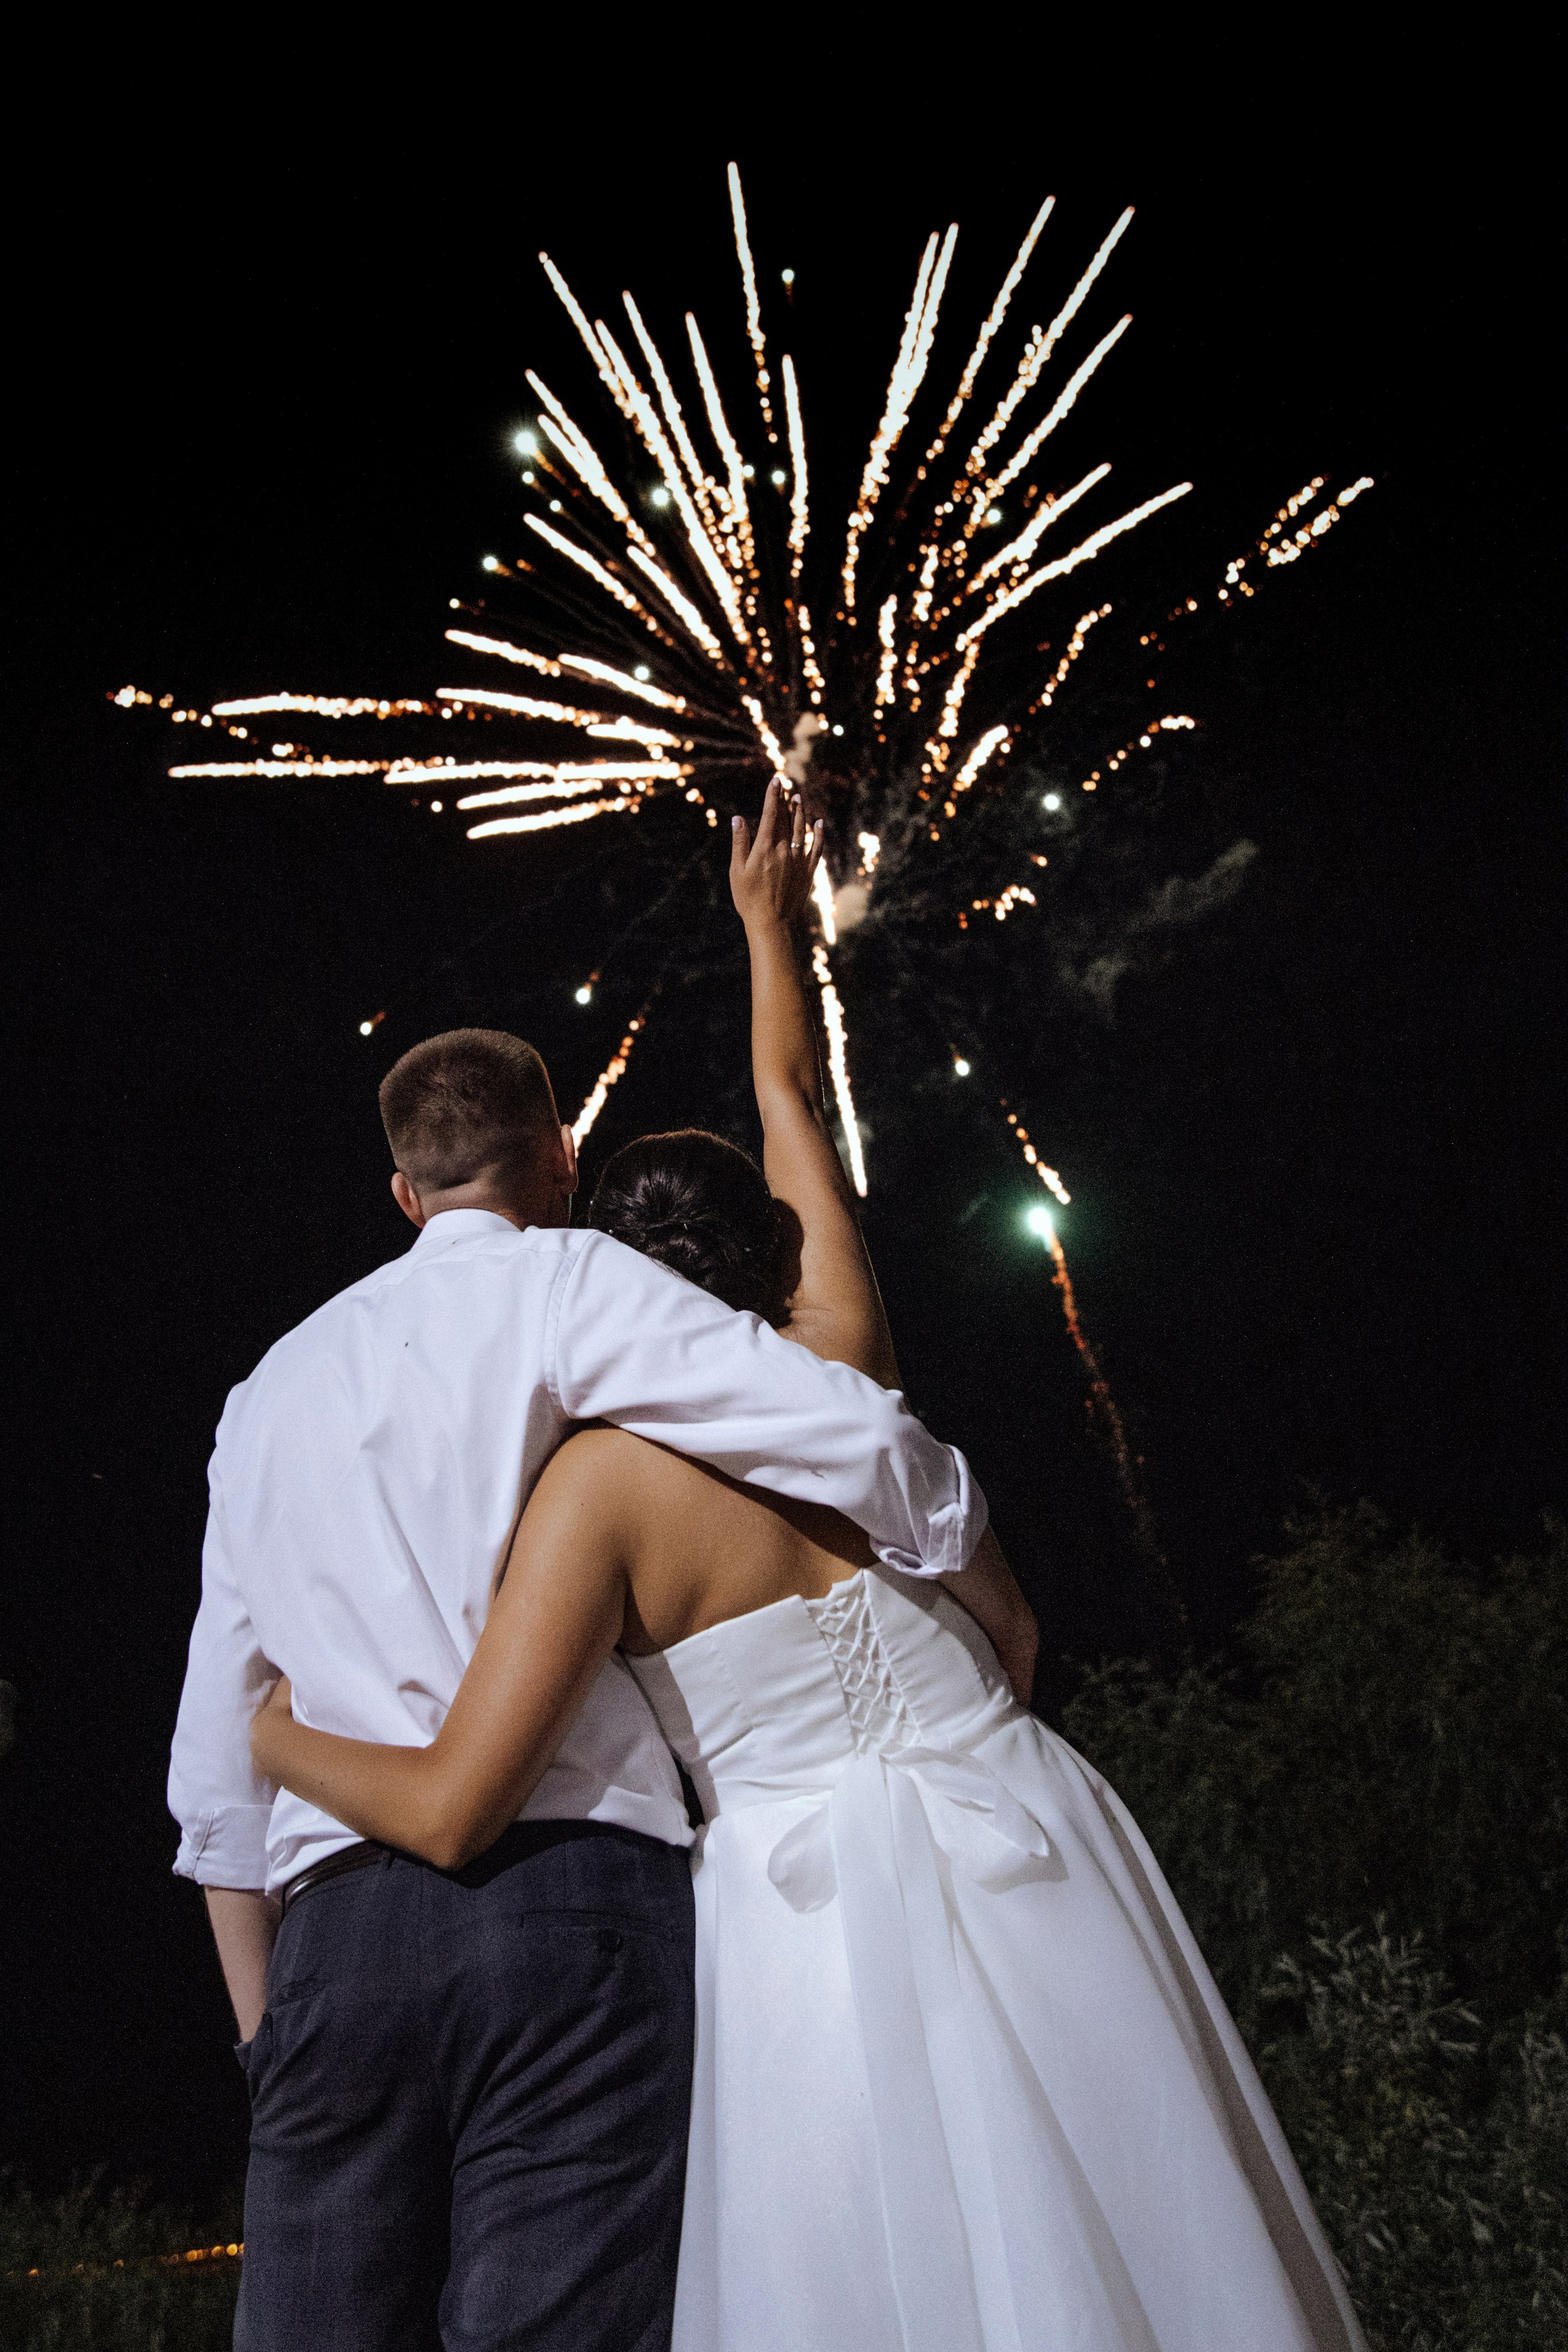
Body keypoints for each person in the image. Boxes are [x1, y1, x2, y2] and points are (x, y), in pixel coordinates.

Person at [253, 783, 1367, 2352]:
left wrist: (276, 1737)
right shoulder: (844, 1368)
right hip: (1022, 1829)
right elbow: (789, 1093)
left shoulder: (593, 1496)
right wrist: (768, 927)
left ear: (599, 1280)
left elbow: (460, 1787)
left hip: (798, 1926)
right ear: (771, 1252)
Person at [167, 821, 992, 2351]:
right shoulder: (572, 1280)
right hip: (570, 1913)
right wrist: (964, 1575)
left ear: (405, 1194)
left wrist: (265, 2039)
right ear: (558, 1155)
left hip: (332, 1931)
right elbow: (848, 1429)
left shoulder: (265, 1391)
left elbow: (219, 1753)